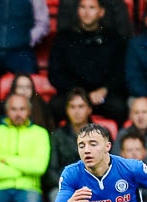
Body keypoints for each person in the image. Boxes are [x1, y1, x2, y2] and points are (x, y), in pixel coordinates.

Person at [48, 0, 128, 128]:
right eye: (82, 7)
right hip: (73, 95)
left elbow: (120, 74)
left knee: (119, 107)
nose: (86, 12)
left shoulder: (114, 39)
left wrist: (104, 90)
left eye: (91, 8)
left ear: (101, 12)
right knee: (55, 105)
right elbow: (55, 74)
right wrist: (78, 93)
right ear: (77, 11)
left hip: (101, 97)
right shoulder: (63, 38)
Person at [0, 93, 50, 202]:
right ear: (7, 111)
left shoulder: (40, 133)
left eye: (22, 109)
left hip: (29, 188)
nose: (18, 114)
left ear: (29, 111)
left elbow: (39, 168)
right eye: (14, 109)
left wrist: (7, 160)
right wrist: (24, 169)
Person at [45, 88, 93, 202]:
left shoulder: (101, 135)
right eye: (72, 107)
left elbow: (109, 166)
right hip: (65, 188)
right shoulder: (57, 135)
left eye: (81, 106)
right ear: (67, 110)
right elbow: (52, 170)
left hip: (93, 188)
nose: (77, 111)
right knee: (57, 198)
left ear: (89, 109)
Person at [111, 97, 147, 175]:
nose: (140, 116)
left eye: (144, 112)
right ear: (131, 116)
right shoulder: (122, 134)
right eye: (136, 112)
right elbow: (116, 165)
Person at [57, 0, 133, 40]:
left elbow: (124, 33)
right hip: (76, 46)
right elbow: (63, 32)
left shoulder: (115, 2)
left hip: (106, 46)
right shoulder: (67, 1)